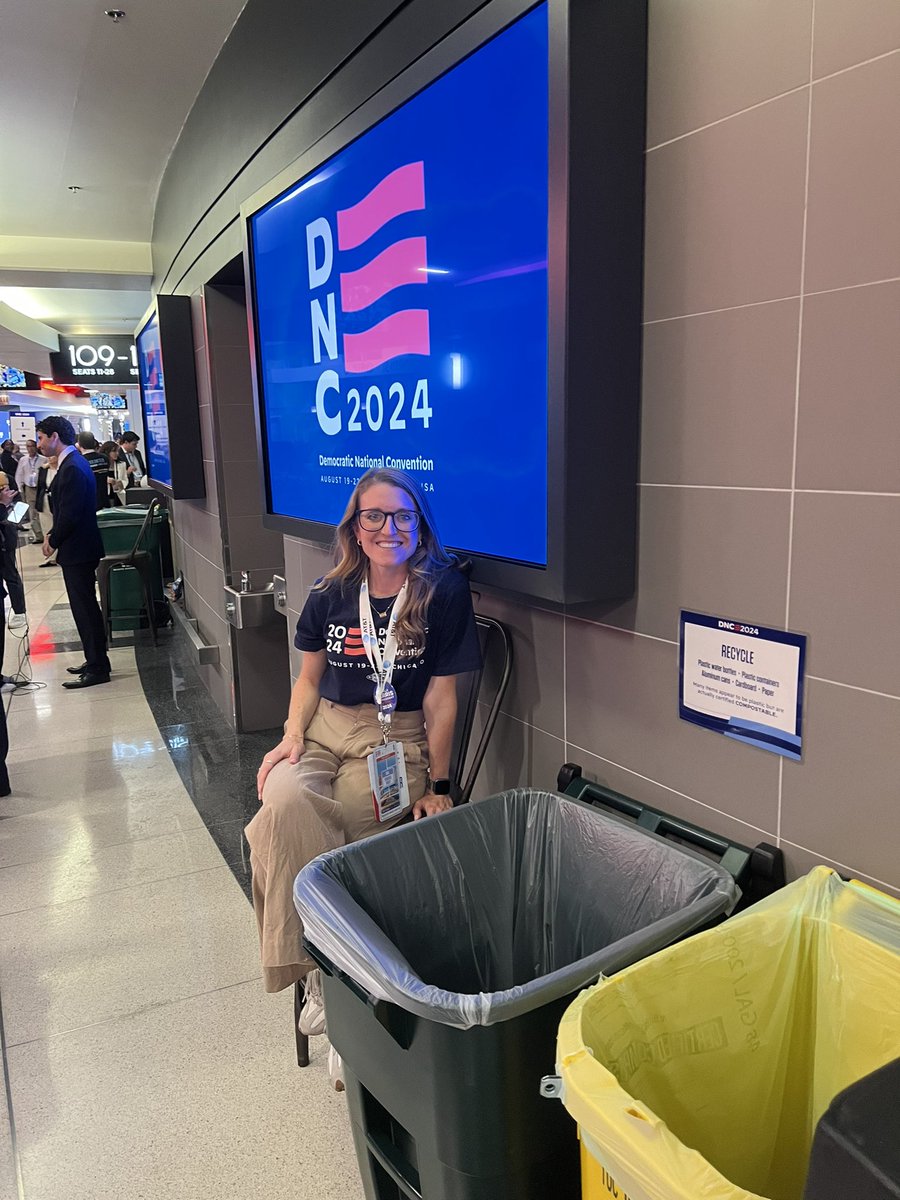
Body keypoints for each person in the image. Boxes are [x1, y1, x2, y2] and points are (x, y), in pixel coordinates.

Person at [245, 469, 482, 1012]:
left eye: (402, 516)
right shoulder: (331, 590)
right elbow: (308, 678)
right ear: (355, 528)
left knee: (333, 825)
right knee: (282, 802)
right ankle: (332, 975)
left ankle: (326, 983)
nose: (387, 528)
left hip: (395, 738)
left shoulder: (442, 589)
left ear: (419, 526)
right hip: (324, 727)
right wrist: (289, 737)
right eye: (373, 516)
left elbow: (443, 698)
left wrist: (440, 783)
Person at [36, 416, 111, 689]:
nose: (40, 444)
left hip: (78, 549)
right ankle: (95, 659)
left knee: (85, 608)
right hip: (80, 547)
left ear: (55, 436)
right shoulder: (72, 463)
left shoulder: (72, 467)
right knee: (86, 607)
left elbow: (70, 513)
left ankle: (98, 667)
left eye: (42, 438)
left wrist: (53, 539)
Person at [14, 439, 48, 542]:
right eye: (28, 446)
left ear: (36, 446)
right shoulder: (23, 460)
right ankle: (38, 535)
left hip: (40, 488)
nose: (30, 448)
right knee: (32, 512)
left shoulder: (43, 459)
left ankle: (45, 533)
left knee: (42, 510)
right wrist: (19, 487)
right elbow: (19, 474)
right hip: (29, 488)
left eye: (32, 446)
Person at [35, 454, 59, 567]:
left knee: (58, 526)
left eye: (52, 456)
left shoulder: (62, 469)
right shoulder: (44, 469)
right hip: (44, 500)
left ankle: (59, 552)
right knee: (46, 526)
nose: (50, 457)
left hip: (57, 500)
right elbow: (40, 487)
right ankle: (51, 556)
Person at [76, 431, 111, 510]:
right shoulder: (104, 458)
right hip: (105, 500)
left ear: (79, 444)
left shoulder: (79, 461)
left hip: (88, 504)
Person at [100, 441, 128, 505]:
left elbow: (125, 479)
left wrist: (121, 483)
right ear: (107, 452)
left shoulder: (122, 464)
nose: (117, 453)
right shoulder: (102, 465)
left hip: (119, 495)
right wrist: (107, 480)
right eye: (114, 451)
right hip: (105, 495)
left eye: (117, 451)